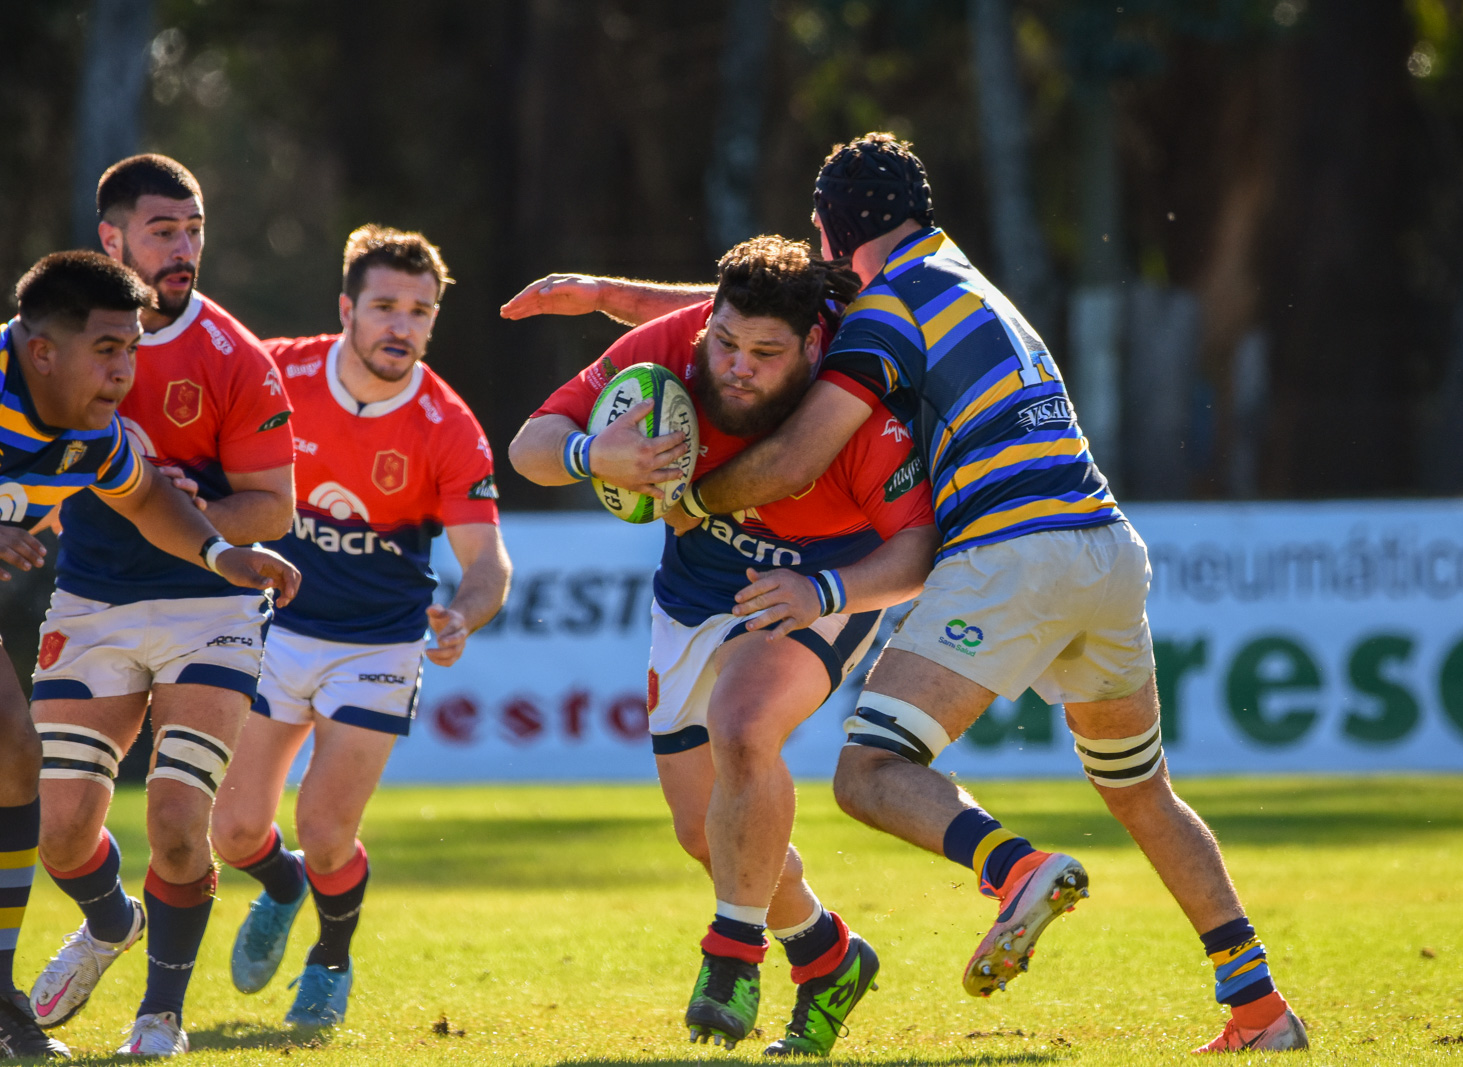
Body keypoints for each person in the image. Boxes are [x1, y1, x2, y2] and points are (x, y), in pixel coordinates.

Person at [501, 135, 1309, 1054]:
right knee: (1141, 790)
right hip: (1107, 546)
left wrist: (687, 496)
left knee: (867, 771)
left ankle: (1011, 869)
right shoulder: (956, 278)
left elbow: (796, 457)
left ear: (829, 229)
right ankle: (1260, 1008)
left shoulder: (884, 313)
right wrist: (610, 299)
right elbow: (760, 310)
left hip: (1012, 547)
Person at [508, 236, 938, 1055]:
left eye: (765, 354)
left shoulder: (854, 401)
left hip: (819, 583)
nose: (738, 368)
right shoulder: (674, 350)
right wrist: (591, 451)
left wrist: (826, 592)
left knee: (744, 725)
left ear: (811, 347)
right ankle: (827, 954)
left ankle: (732, 956)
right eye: (727, 342)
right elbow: (529, 445)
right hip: (695, 588)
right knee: (705, 831)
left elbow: (918, 552)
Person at [28, 155, 298, 1057]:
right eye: (162, 231)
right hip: (92, 599)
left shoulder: (236, 357)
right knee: (58, 830)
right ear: (112, 239)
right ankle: (112, 921)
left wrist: (195, 511)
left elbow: (275, 507)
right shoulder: (55, 339)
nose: (184, 248)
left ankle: (160, 1018)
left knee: (179, 824)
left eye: (194, 230)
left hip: (208, 604)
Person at [208, 225, 511, 1027]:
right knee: (233, 831)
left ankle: (330, 959)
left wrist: (464, 614)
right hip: (272, 629)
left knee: (324, 827)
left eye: (420, 310)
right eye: (384, 306)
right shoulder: (278, 372)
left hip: (379, 642)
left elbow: (488, 563)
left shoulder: (448, 424)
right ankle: (283, 886)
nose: (401, 326)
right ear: (346, 308)